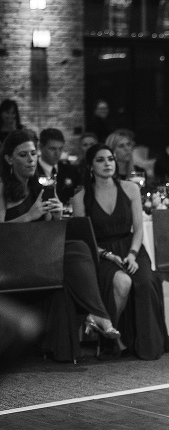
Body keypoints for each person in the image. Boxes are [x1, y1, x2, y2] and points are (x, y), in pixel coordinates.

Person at [1, 130, 120, 361]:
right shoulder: (2, 188)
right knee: (76, 249)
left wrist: (55, 217)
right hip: (11, 259)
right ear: (8, 159)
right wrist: (29, 215)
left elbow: (47, 233)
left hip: (38, 254)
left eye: (33, 154)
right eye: (23, 155)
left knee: (79, 246)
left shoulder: (42, 187)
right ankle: (96, 314)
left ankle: (96, 314)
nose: (31, 160)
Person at [72, 144, 169, 360]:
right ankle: (112, 338)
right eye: (100, 160)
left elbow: (139, 228)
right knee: (122, 282)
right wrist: (106, 255)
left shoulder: (130, 188)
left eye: (110, 159)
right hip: (99, 253)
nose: (108, 163)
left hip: (131, 248)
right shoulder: (80, 197)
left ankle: (146, 345)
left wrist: (133, 254)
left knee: (144, 282)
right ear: (90, 165)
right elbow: (82, 239)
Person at [36, 128, 81, 204]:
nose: (57, 153)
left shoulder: (71, 171)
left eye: (60, 149)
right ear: (41, 147)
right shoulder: (33, 172)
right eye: (52, 149)